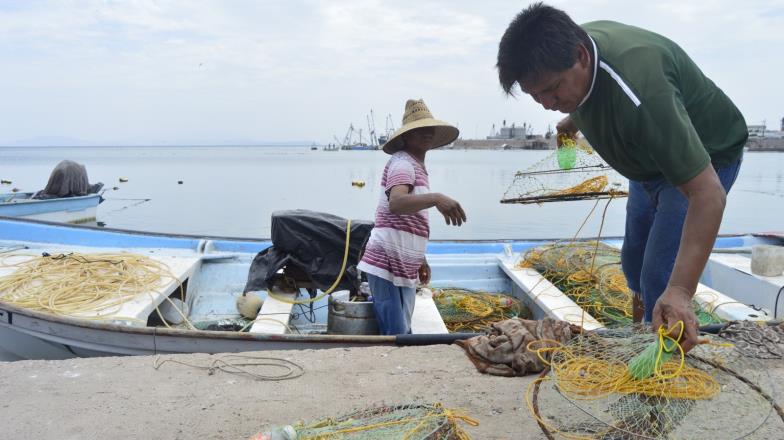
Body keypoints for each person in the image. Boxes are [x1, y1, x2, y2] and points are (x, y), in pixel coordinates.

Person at [496, 3, 746, 352]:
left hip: (704, 157)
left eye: (552, 90)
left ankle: (661, 368)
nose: (546, 103)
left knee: (661, 278)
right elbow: (584, 101)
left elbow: (708, 194)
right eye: (535, 96)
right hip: (648, 165)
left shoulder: (642, 93)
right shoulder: (572, 68)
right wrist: (569, 124)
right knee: (633, 263)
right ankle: (641, 338)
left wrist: (681, 291)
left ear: (582, 56)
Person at [357, 99, 467, 335]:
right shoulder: (402, 164)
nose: (426, 133)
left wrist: (421, 258)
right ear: (406, 137)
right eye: (418, 129)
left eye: (429, 128)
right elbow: (396, 203)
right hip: (387, 260)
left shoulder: (416, 166)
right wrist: (437, 198)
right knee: (396, 333)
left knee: (403, 329)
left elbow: (408, 219)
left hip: (404, 262)